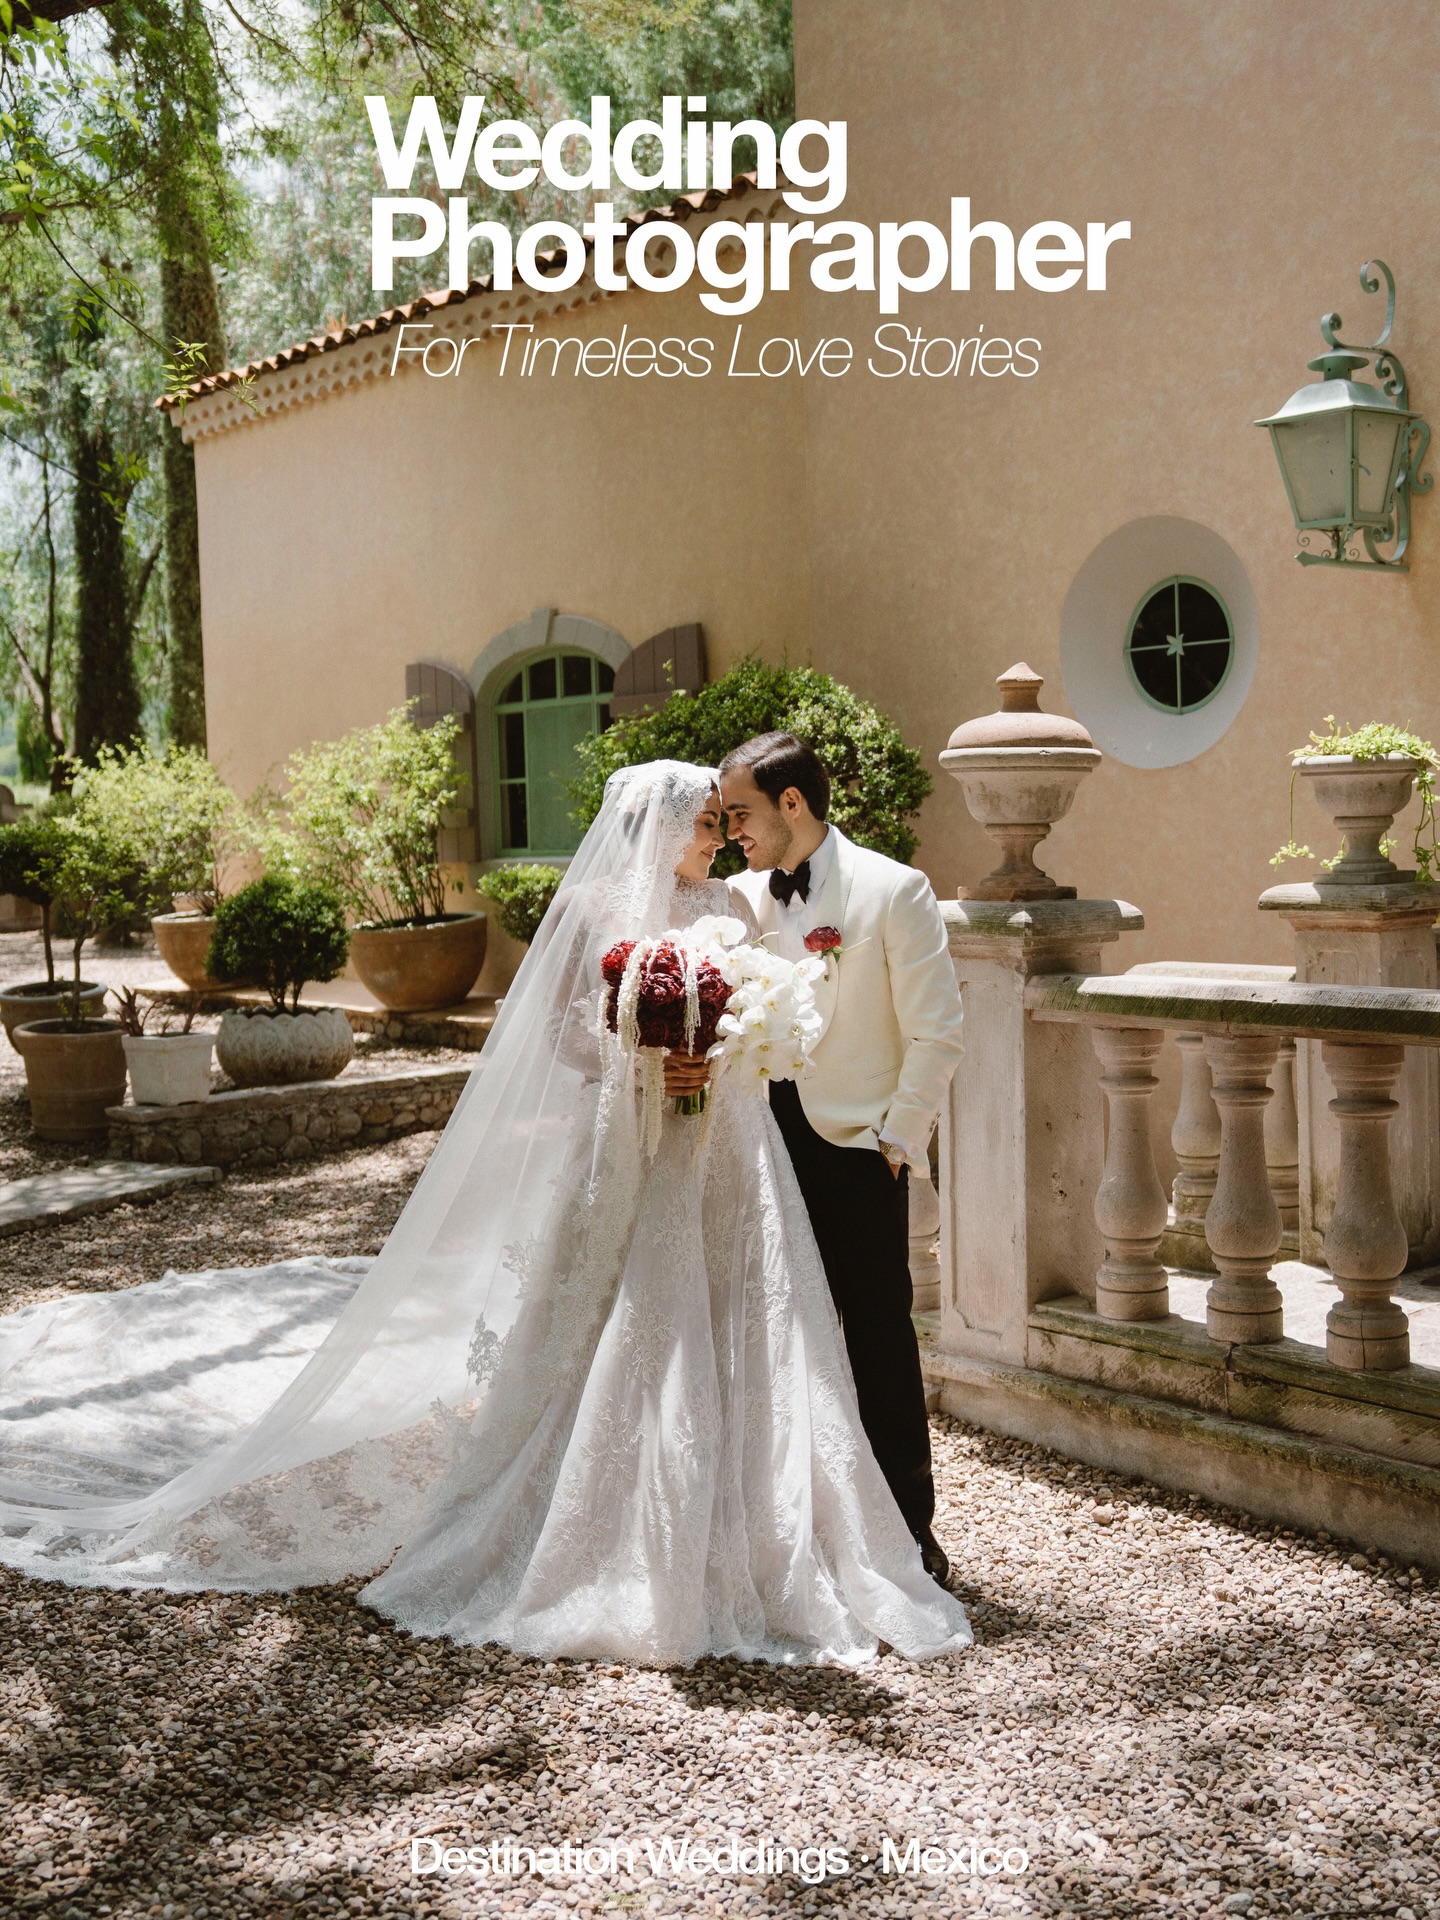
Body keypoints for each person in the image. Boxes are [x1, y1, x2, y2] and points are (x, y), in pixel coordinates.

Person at [0, 761, 969, 1670]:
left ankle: (772, 1517)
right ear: (660, 823)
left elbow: (796, 1010)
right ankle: (600, 1515)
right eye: (708, 822)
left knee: (754, 1311)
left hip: (736, 1142)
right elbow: (562, 1035)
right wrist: (647, 1056)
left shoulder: (735, 902)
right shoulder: (598, 905)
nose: (720, 837)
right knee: (621, 1307)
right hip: (633, 1137)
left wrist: (732, 1054)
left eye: (727, 821)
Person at [721, 734, 965, 1586]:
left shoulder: (895, 890)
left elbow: (939, 1029)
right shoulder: (741, 899)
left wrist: (898, 1138)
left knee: (877, 1341)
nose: (731, 833)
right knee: (776, 1339)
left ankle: (910, 1534)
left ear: (793, 803)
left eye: (740, 814)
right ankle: (800, 1535)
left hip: (858, 1153)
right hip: (758, 1143)